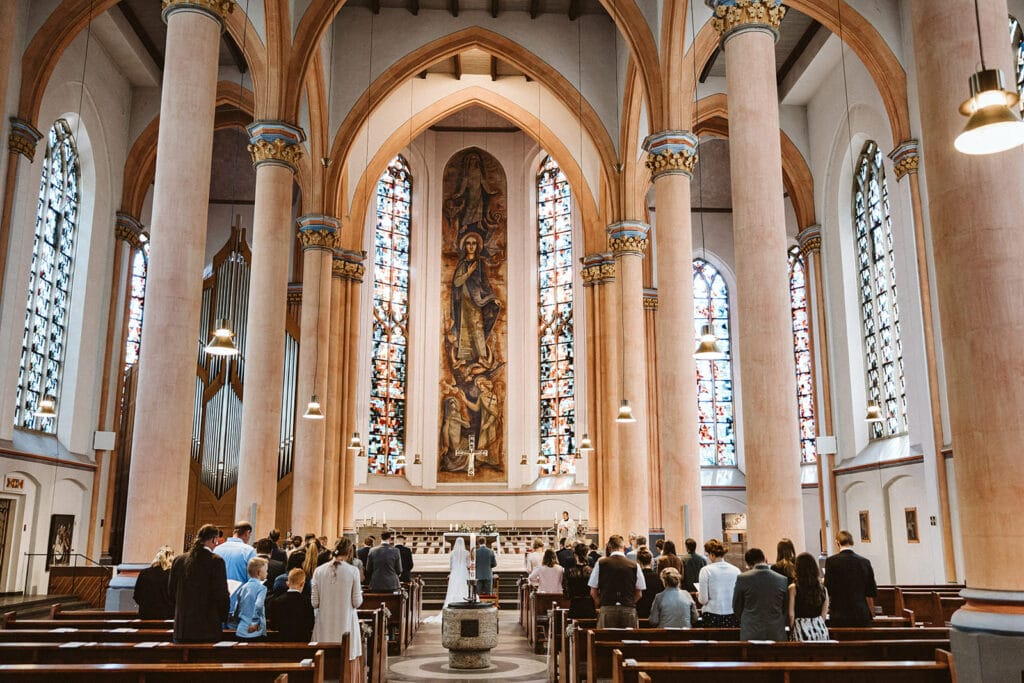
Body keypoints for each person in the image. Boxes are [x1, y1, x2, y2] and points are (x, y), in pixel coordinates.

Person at [168, 523, 230, 643]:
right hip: (207, 628)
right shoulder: (216, 561)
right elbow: (221, 595)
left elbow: (171, 592)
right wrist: (223, 617)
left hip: (182, 628)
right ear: (214, 539)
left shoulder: (178, 560)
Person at [312, 539, 363, 661]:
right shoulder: (353, 571)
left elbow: (314, 603)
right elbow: (356, 603)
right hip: (346, 622)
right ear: (349, 552)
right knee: (345, 657)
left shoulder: (319, 571)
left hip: (324, 625)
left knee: (324, 659)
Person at [588, 534, 646, 628]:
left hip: (607, 608)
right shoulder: (634, 565)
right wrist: (628, 603)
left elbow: (593, 592)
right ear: (623, 547)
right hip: (628, 610)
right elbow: (639, 593)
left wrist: (602, 604)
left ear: (609, 547)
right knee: (630, 637)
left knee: (606, 637)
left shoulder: (601, 563)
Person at [732, 547, 789, 641]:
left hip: (750, 631)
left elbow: (736, 606)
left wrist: (747, 618)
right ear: (765, 559)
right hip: (776, 631)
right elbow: (784, 607)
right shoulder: (782, 579)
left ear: (749, 564)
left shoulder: (742, 578)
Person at [824, 530, 877, 627]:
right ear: (852, 542)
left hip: (839, 614)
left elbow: (828, 589)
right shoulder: (865, 562)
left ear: (837, 542)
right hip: (861, 614)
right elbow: (872, 591)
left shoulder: (831, 562)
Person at [697, 538, 741, 628]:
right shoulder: (736, 570)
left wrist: (699, 595)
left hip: (712, 615)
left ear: (712, 554)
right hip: (732, 614)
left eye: (708, 555)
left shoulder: (706, 570)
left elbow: (703, 600)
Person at [215, 521, 256, 614]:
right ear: (247, 533)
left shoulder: (216, 549)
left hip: (217, 604)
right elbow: (252, 582)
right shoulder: (249, 551)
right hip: (238, 606)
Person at [789, 552, 830, 641]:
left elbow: (791, 615)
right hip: (819, 630)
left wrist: (793, 630)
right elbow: (823, 615)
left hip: (801, 629)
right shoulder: (823, 589)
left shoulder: (793, 588)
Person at [267, 568, 315, 642]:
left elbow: (273, 625)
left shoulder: (275, 602)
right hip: (303, 641)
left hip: (282, 641)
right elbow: (311, 624)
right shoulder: (308, 602)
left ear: (287, 583)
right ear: (302, 584)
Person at [133, 545, 175, 619]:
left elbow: (137, 596)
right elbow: (176, 597)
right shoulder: (172, 575)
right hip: (167, 616)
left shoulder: (144, 573)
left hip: (146, 616)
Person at [233, 556, 268, 640]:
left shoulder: (243, 587)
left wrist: (238, 620)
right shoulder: (262, 588)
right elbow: (259, 605)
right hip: (255, 631)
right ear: (259, 572)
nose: (267, 573)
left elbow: (237, 607)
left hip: (241, 629)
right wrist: (254, 622)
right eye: (266, 571)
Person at [563, 543, 596, 619]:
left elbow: (566, 592)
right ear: (587, 554)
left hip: (575, 605)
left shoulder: (570, 571)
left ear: (575, 554)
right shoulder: (592, 571)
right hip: (589, 605)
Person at [442, 537, 472, 607]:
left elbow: (451, 565)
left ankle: (452, 602)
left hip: (455, 571)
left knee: (454, 586)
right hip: (464, 571)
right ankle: (464, 602)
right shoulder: (467, 552)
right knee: (464, 586)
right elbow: (468, 565)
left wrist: (451, 572)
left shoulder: (452, 553)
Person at [635, 548, 663, 619]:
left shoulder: (636, 578)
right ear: (651, 561)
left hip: (639, 613)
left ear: (638, 562)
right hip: (655, 614)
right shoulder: (659, 578)